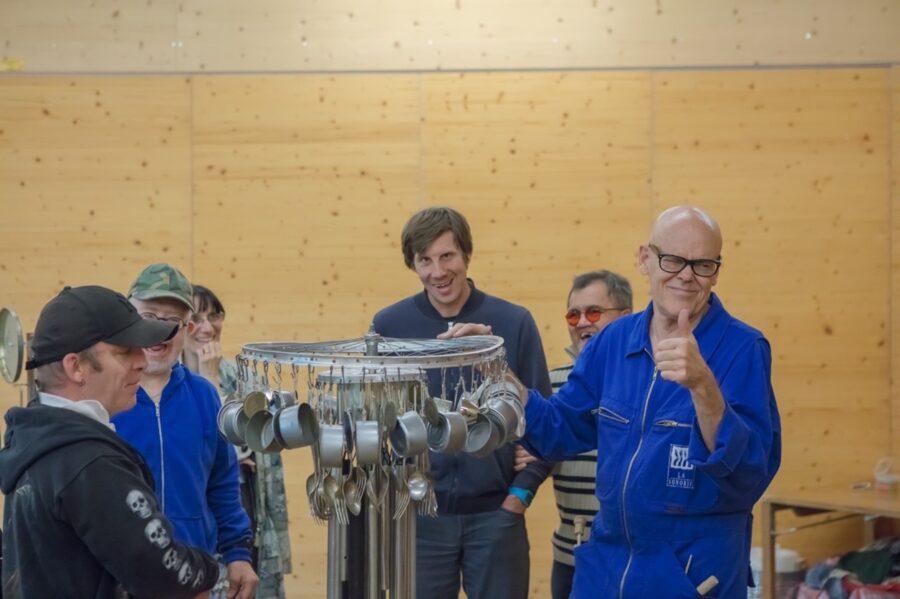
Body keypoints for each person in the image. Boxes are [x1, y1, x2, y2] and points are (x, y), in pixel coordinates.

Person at [517, 206, 781, 598]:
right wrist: (500, 380)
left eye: (703, 264)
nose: (687, 275)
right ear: (645, 259)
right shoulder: (614, 341)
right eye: (673, 260)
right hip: (607, 570)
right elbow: (559, 431)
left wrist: (704, 387)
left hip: (692, 577)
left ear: (717, 270)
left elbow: (749, 477)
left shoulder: (743, 348)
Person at [372, 206, 554, 599]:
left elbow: (543, 421)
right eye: (425, 260)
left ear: (466, 255)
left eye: (447, 256)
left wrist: (519, 497)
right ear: (414, 265)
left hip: (496, 518)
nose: (438, 271)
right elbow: (378, 424)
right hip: (420, 521)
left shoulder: (514, 322)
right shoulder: (388, 327)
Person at [0, 285, 222, 598]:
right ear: (76, 366)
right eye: (123, 351)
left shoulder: (36, 440)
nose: (141, 361)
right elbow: (161, 574)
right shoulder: (88, 462)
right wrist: (207, 572)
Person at [112, 263, 259, 599]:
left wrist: (238, 554)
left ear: (186, 328)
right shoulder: (105, 396)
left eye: (170, 322)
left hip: (192, 575)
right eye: (148, 315)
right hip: (118, 576)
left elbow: (222, 484)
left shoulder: (204, 395)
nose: (158, 331)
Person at [183, 283, 291, 599]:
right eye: (196, 318)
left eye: (214, 316)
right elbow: (210, 452)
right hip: (194, 532)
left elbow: (257, 444)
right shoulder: (166, 387)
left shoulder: (246, 382)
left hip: (247, 518)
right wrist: (207, 381)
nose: (207, 327)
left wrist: (214, 379)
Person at [547, 270, 632, 599]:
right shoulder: (552, 385)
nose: (582, 322)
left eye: (594, 312)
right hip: (570, 556)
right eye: (573, 314)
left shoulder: (648, 383)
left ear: (625, 319)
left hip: (628, 561)